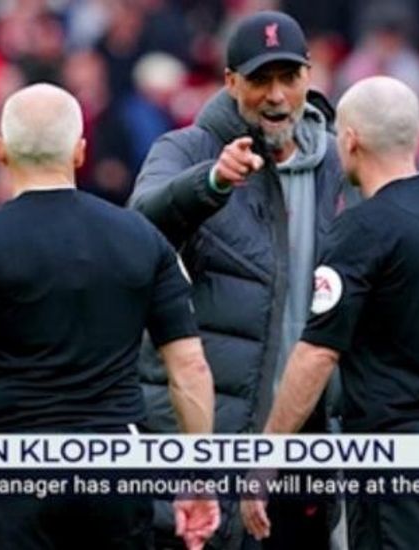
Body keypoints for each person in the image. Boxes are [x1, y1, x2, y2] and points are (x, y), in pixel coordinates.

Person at [0, 83, 218, 550]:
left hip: (17, 469)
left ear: (0, 151)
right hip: (116, 468)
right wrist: (199, 478)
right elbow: (190, 367)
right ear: (80, 151)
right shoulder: (141, 238)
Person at [239, 76, 419, 550]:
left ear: (350, 139)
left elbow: (317, 354)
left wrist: (267, 457)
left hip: (394, 462)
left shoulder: (361, 231)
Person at [128, 10, 354, 549]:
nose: (276, 96)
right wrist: (209, 184)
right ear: (230, 82)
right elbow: (137, 229)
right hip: (214, 441)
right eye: (259, 80)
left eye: (288, 77)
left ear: (309, 75)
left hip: (306, 443)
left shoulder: (341, 163)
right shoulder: (187, 149)